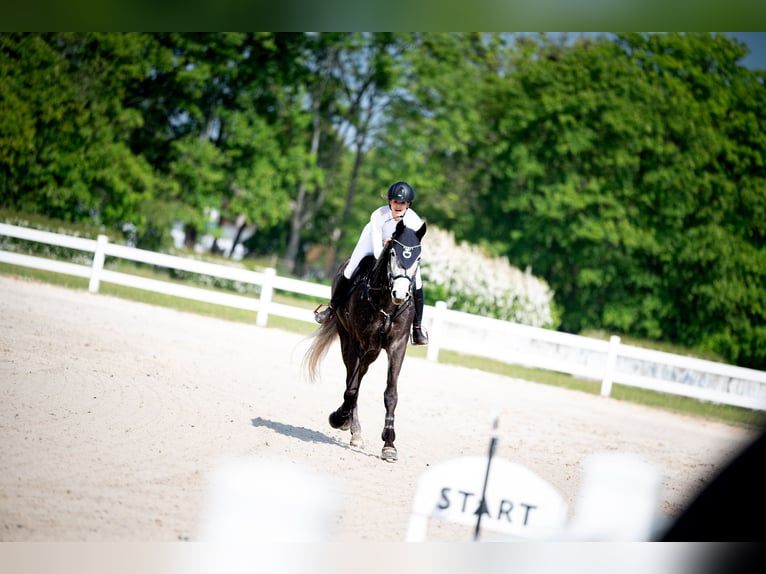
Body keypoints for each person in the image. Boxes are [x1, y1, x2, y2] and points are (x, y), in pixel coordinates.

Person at [314, 181, 429, 345]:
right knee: (350, 268)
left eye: (402, 203)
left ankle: (417, 327)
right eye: (395, 202)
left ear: (408, 204)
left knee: (417, 282)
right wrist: (388, 246)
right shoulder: (378, 215)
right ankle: (331, 309)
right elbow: (376, 252)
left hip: (399, 254)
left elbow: (413, 248)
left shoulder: (415, 222)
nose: (398, 206)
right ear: (390, 201)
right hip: (373, 243)